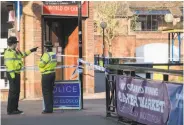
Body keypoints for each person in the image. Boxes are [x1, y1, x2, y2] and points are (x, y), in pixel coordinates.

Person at [4, 36, 38, 115]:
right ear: (13, 43)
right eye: (16, 43)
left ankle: (15, 108)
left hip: (16, 73)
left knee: (17, 92)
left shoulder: (15, 51)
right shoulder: (8, 52)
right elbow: (9, 65)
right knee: (13, 92)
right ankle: (10, 110)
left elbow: (23, 54)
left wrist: (31, 50)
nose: (17, 44)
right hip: (12, 74)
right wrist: (13, 77)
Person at [38, 41, 57, 114]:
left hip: (46, 74)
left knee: (46, 92)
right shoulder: (54, 54)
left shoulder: (46, 55)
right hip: (52, 73)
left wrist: (40, 60)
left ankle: (48, 109)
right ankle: (50, 107)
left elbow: (41, 65)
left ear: (45, 48)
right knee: (50, 91)